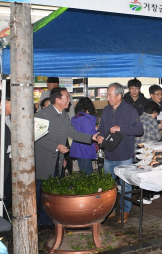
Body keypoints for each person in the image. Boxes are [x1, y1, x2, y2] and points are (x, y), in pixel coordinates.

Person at [35, 87, 100, 228]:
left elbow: (73, 133)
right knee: (39, 193)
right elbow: (37, 138)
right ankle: (38, 222)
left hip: (57, 161)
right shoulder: (42, 115)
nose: (69, 100)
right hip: (43, 161)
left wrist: (91, 137)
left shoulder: (64, 115)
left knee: (51, 193)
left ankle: (48, 221)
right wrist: (56, 146)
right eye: (67, 98)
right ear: (57, 99)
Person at [97, 83, 144, 224]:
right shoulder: (105, 110)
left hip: (124, 155)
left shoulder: (130, 110)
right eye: (107, 95)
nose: (108, 98)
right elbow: (102, 128)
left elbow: (139, 130)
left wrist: (120, 128)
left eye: (111, 95)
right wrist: (99, 136)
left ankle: (125, 210)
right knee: (108, 185)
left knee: (126, 185)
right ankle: (109, 210)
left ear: (119, 96)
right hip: (109, 154)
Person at [136, 101, 162, 204]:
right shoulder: (151, 121)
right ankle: (144, 196)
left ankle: (149, 194)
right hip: (146, 152)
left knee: (142, 173)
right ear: (154, 112)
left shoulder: (139, 118)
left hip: (137, 150)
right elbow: (156, 137)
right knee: (148, 174)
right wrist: (160, 133)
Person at [68, 98, 99, 174]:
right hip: (85, 149)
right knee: (88, 174)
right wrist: (97, 129)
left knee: (83, 171)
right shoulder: (86, 119)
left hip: (78, 148)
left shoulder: (77, 118)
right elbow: (89, 134)